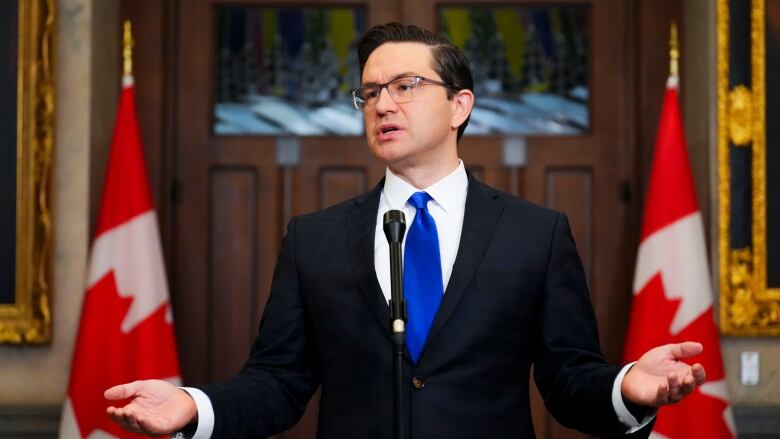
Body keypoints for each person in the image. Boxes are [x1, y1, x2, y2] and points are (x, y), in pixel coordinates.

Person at [105, 22, 706, 438]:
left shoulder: (536, 234)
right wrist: (193, 407)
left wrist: (628, 387)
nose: (382, 104)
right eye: (369, 92)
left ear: (460, 106)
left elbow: (568, 378)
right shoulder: (314, 239)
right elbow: (278, 383)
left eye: (405, 87)